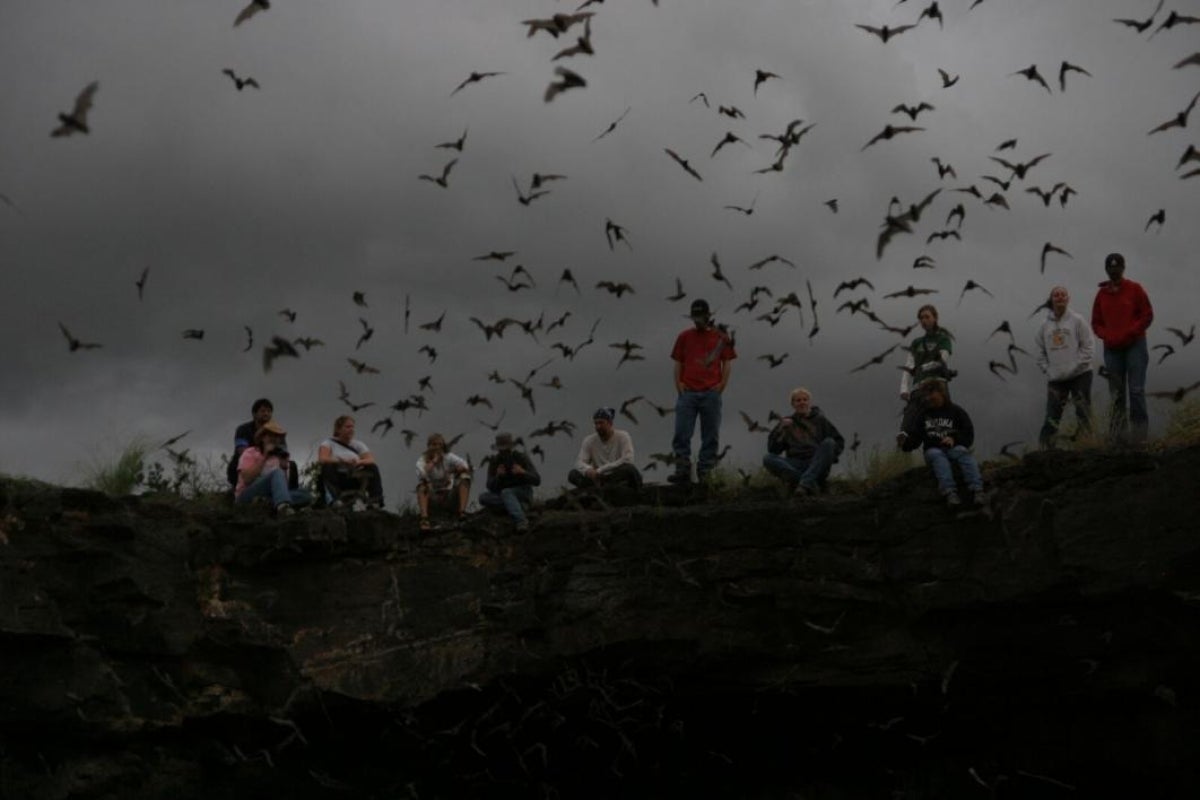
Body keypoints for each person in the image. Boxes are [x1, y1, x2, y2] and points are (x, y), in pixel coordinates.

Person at [668, 298, 737, 484]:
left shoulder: (721, 336)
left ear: (708, 316)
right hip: (688, 393)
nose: (697, 320)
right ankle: (683, 470)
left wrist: (722, 385)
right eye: (694, 317)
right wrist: (679, 385)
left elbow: (727, 362)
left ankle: (706, 471)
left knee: (711, 435)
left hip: (710, 393)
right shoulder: (684, 336)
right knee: (682, 433)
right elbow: (678, 363)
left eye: (700, 316)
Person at [1091, 252, 1153, 444]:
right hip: (1112, 349)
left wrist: (1130, 332)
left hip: (1135, 345)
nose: (1114, 270)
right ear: (1106, 269)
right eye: (1110, 267)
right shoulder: (1101, 295)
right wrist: (1107, 335)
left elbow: (1147, 315)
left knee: (1135, 390)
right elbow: (1096, 322)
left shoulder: (1135, 289)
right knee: (1116, 394)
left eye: (1117, 266)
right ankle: (1119, 436)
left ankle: (1140, 436)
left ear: (1123, 268)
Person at [897, 379, 985, 508]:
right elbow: (916, 438)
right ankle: (950, 493)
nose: (928, 398)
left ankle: (977, 490)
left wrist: (955, 439)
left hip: (954, 448)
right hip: (933, 450)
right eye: (926, 395)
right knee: (938, 456)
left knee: (963, 453)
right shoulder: (923, 415)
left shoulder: (956, 411)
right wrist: (904, 444)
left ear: (941, 393)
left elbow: (968, 434)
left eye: (931, 394)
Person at [1035, 286, 1095, 449]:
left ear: (1068, 299)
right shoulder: (1043, 326)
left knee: (1083, 412)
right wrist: (1048, 370)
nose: (1060, 297)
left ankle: (1087, 446)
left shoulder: (1077, 320)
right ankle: (1045, 449)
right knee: (1052, 415)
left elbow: (1089, 346)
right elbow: (1040, 352)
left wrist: (1075, 367)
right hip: (1056, 378)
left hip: (1080, 375)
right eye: (1056, 295)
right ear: (1051, 299)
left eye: (1063, 295)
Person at [762, 387, 845, 496]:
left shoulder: (820, 420)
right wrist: (780, 429)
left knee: (829, 442)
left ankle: (803, 483)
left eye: (805, 400)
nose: (802, 403)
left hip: (816, 463)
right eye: (798, 400)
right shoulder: (786, 423)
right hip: (795, 464)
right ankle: (807, 482)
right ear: (793, 404)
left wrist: (828, 458)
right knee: (768, 458)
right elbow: (773, 450)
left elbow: (839, 441)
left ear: (809, 402)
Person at [898, 304, 955, 436]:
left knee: (942, 424)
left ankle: (945, 449)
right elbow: (909, 366)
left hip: (938, 387)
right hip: (918, 388)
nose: (924, 320)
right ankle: (902, 451)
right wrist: (904, 388)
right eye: (921, 318)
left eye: (927, 317)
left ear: (935, 318)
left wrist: (924, 367)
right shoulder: (916, 342)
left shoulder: (943, 339)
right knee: (907, 424)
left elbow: (942, 360)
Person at [234, 420, 312, 515]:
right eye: (270, 435)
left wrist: (285, 468)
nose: (274, 439)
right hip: (246, 494)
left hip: (269, 495)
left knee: (305, 495)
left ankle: (266, 503)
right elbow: (247, 479)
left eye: (277, 436)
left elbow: (281, 489)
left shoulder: (276, 458)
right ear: (263, 437)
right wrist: (264, 457)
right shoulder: (250, 453)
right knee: (276, 473)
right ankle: (283, 507)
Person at [227, 398, 298, 490]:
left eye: (269, 411)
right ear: (254, 414)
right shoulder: (243, 429)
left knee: (291, 465)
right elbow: (241, 451)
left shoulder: (277, 433)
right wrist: (260, 455)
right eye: (263, 411)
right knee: (240, 463)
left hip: (271, 463)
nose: (266, 414)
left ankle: (289, 492)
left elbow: (283, 451)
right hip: (249, 463)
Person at [317, 415, 384, 509]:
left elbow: (370, 459)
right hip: (337, 477)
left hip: (355, 477)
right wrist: (341, 461)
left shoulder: (358, 444)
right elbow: (322, 459)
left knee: (373, 467)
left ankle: (375, 500)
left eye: (352, 427)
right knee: (327, 466)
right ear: (338, 429)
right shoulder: (328, 443)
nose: (351, 429)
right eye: (348, 427)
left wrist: (358, 462)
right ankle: (335, 500)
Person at [479, 432, 541, 532]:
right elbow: (489, 486)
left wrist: (523, 472)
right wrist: (497, 477)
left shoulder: (521, 457)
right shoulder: (495, 461)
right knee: (483, 498)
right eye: (502, 450)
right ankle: (516, 506)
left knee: (507, 492)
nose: (504, 452)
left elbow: (537, 480)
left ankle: (521, 521)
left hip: (522, 491)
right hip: (502, 494)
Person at [568, 407, 643, 490]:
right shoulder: (589, 440)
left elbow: (627, 459)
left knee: (630, 470)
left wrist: (601, 470)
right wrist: (588, 470)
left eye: (601, 423)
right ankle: (595, 490)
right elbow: (579, 462)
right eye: (596, 423)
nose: (598, 426)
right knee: (573, 474)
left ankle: (637, 493)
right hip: (597, 479)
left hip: (615, 475)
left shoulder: (623, 436)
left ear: (610, 423)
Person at [415, 432, 472, 531]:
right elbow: (422, 473)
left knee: (464, 478)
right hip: (433, 498)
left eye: (440, 445)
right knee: (421, 486)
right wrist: (434, 461)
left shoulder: (448, 457)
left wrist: (453, 471)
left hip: (449, 496)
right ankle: (424, 519)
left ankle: (462, 512)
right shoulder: (422, 459)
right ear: (429, 446)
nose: (437, 447)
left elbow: (466, 466)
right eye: (434, 444)